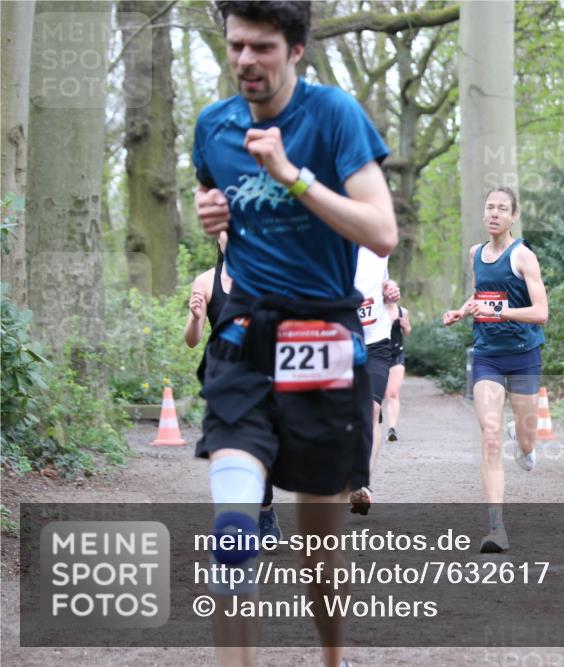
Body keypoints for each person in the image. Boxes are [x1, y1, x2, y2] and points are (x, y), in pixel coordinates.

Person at [192, 2, 396, 666]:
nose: (247, 61)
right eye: (237, 47)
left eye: (264, 48)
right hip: (244, 336)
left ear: (297, 50)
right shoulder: (212, 128)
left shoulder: (334, 116)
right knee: (233, 522)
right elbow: (221, 213)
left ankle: (333, 657)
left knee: (318, 546)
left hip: (321, 334)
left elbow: (381, 230)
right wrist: (210, 216)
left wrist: (295, 176)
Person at [442, 186, 547, 553]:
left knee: (527, 441)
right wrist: (462, 310)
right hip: (486, 354)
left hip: (523, 355)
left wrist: (502, 312)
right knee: (489, 437)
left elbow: (541, 313)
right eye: (489, 207)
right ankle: (495, 528)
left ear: (513, 216)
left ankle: (523, 441)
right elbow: (481, 295)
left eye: (502, 208)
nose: (495, 213)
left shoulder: (524, 257)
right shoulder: (476, 254)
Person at [184, 231, 281, 542]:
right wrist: (196, 317)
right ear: (218, 238)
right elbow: (191, 340)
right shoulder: (205, 282)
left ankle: (264, 510)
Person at [347, 251, 397, 515]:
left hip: (376, 342)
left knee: (373, 410)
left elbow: (384, 284)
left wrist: (390, 292)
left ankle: (362, 485)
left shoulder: (379, 247)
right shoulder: (328, 243)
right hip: (339, 342)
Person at [383, 297, 410, 442]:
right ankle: (375, 415)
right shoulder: (377, 310)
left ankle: (392, 428)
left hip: (397, 355)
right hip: (378, 355)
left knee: (392, 393)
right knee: (376, 394)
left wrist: (405, 326)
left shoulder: (402, 311)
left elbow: (407, 332)